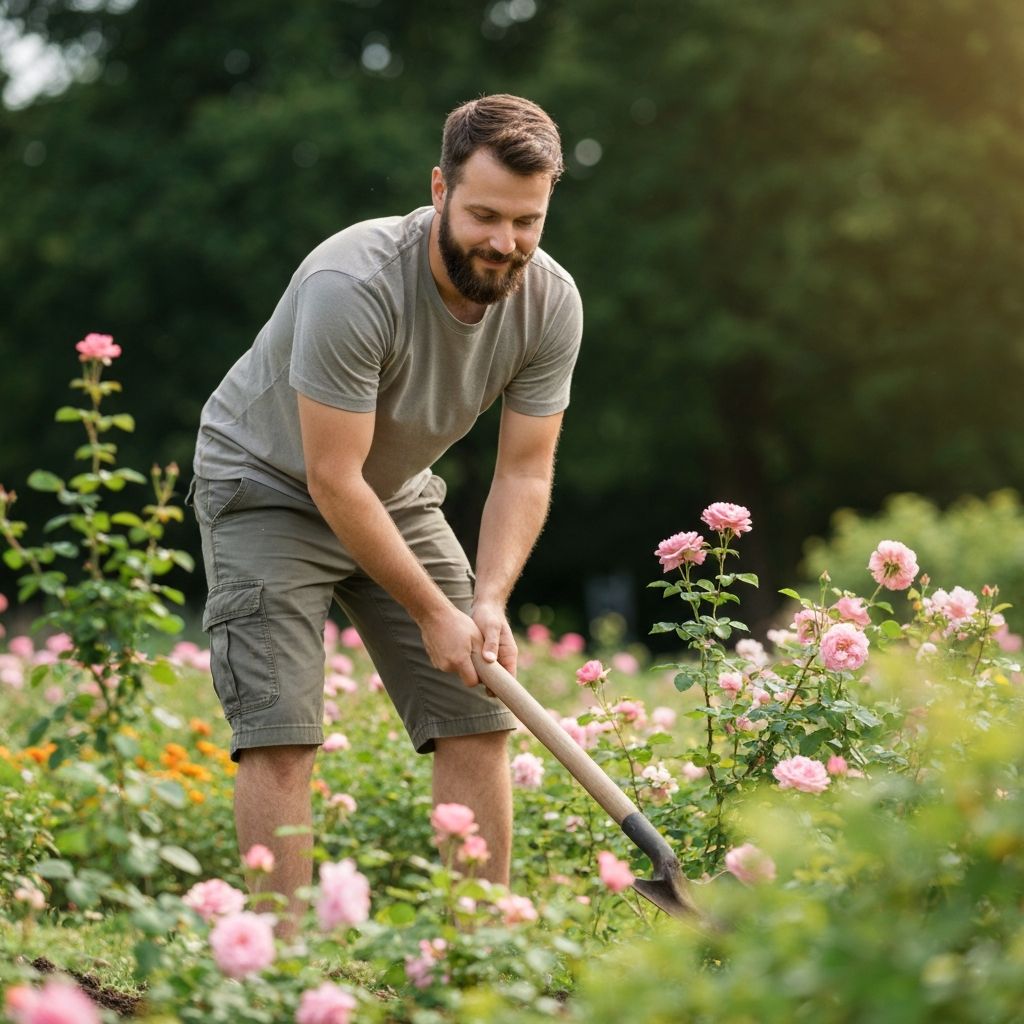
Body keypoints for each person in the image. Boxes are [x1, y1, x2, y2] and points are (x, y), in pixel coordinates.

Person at [188, 93, 582, 932]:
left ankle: (474, 955)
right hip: (268, 485)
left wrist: (485, 601)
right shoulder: (352, 280)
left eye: (527, 221)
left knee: (480, 710)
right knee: (282, 732)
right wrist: (432, 610)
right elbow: (331, 478)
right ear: (438, 188)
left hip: (394, 491)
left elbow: (523, 472)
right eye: (483, 215)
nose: (504, 243)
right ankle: (281, 971)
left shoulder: (550, 303)